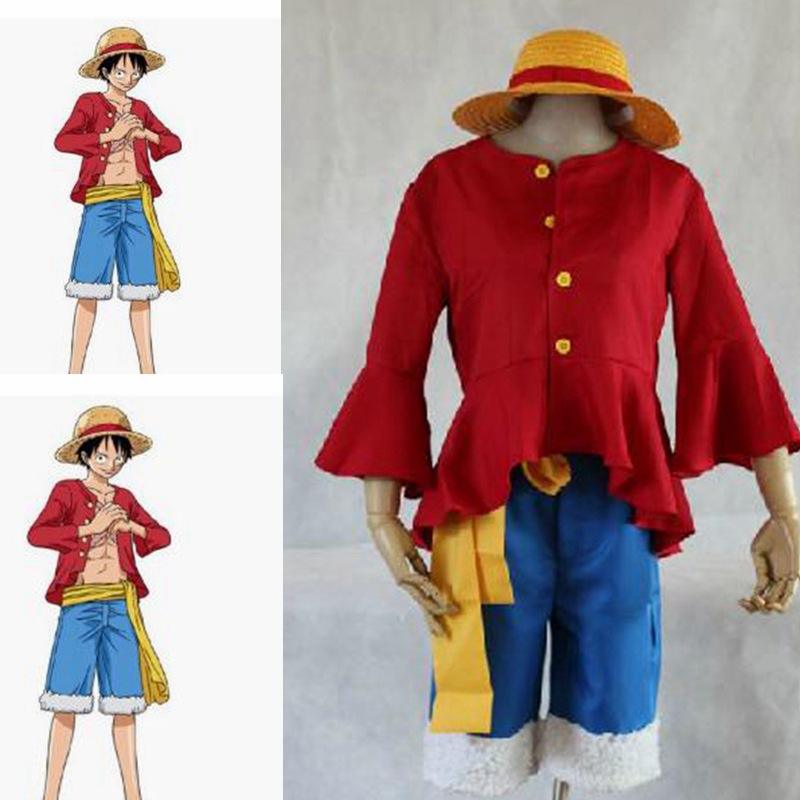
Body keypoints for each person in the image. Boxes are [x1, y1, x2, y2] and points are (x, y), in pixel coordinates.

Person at [315, 28, 800, 796]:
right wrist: (381, 516)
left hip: (621, 491)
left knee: (612, 698)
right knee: (481, 700)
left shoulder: (666, 192)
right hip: (485, 494)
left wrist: (785, 509)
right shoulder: (446, 188)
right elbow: (394, 352)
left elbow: (723, 339)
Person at [28, 405, 171, 800]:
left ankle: (133, 794)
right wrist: (89, 529)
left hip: (121, 605)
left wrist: (131, 525)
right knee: (65, 701)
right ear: (86, 455)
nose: (112, 463)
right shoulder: (66, 492)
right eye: (104, 455)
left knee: (126, 704)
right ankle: (50, 794)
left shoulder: (125, 497)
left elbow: (161, 536)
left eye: (119, 456)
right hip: (80, 604)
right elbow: (37, 534)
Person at [55, 27, 182, 373]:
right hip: (101, 201)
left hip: (138, 203)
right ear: (106, 70)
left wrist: (146, 133)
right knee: (88, 288)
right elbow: (63, 141)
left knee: (142, 290)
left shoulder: (141, 108)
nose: (129, 78)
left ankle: (148, 371)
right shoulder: (89, 103)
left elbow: (173, 142)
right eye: (122, 71)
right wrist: (110, 135)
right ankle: (74, 371)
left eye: (135, 72)